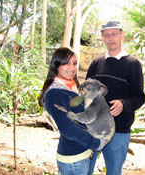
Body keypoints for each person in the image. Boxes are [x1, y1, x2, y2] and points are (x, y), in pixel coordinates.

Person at [86, 21, 145, 175]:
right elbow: (86, 92)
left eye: (114, 34)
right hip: (93, 130)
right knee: (85, 169)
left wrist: (123, 104)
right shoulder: (96, 63)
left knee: (114, 171)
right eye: (107, 35)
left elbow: (139, 97)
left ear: (122, 35)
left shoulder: (133, 64)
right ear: (102, 38)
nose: (110, 38)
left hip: (119, 131)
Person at [39, 47, 106, 175]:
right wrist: (97, 143)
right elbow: (67, 128)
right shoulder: (55, 92)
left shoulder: (70, 87)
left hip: (80, 154)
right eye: (66, 63)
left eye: (74, 63)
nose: (72, 68)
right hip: (73, 159)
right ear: (56, 65)